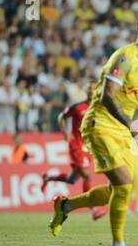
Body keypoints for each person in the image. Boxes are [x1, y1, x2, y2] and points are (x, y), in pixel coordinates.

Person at [48, 11, 138, 246]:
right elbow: (107, 95)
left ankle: (65, 206)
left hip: (121, 130)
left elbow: (129, 99)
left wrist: (135, 126)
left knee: (117, 189)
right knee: (125, 184)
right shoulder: (124, 57)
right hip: (100, 124)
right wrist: (130, 125)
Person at [41, 82, 106, 221]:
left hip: (88, 148)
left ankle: (48, 178)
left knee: (72, 179)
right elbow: (61, 117)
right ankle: (93, 209)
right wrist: (64, 132)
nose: (91, 91)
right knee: (87, 175)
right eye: (89, 89)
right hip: (76, 145)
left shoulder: (99, 108)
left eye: (94, 89)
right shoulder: (77, 107)